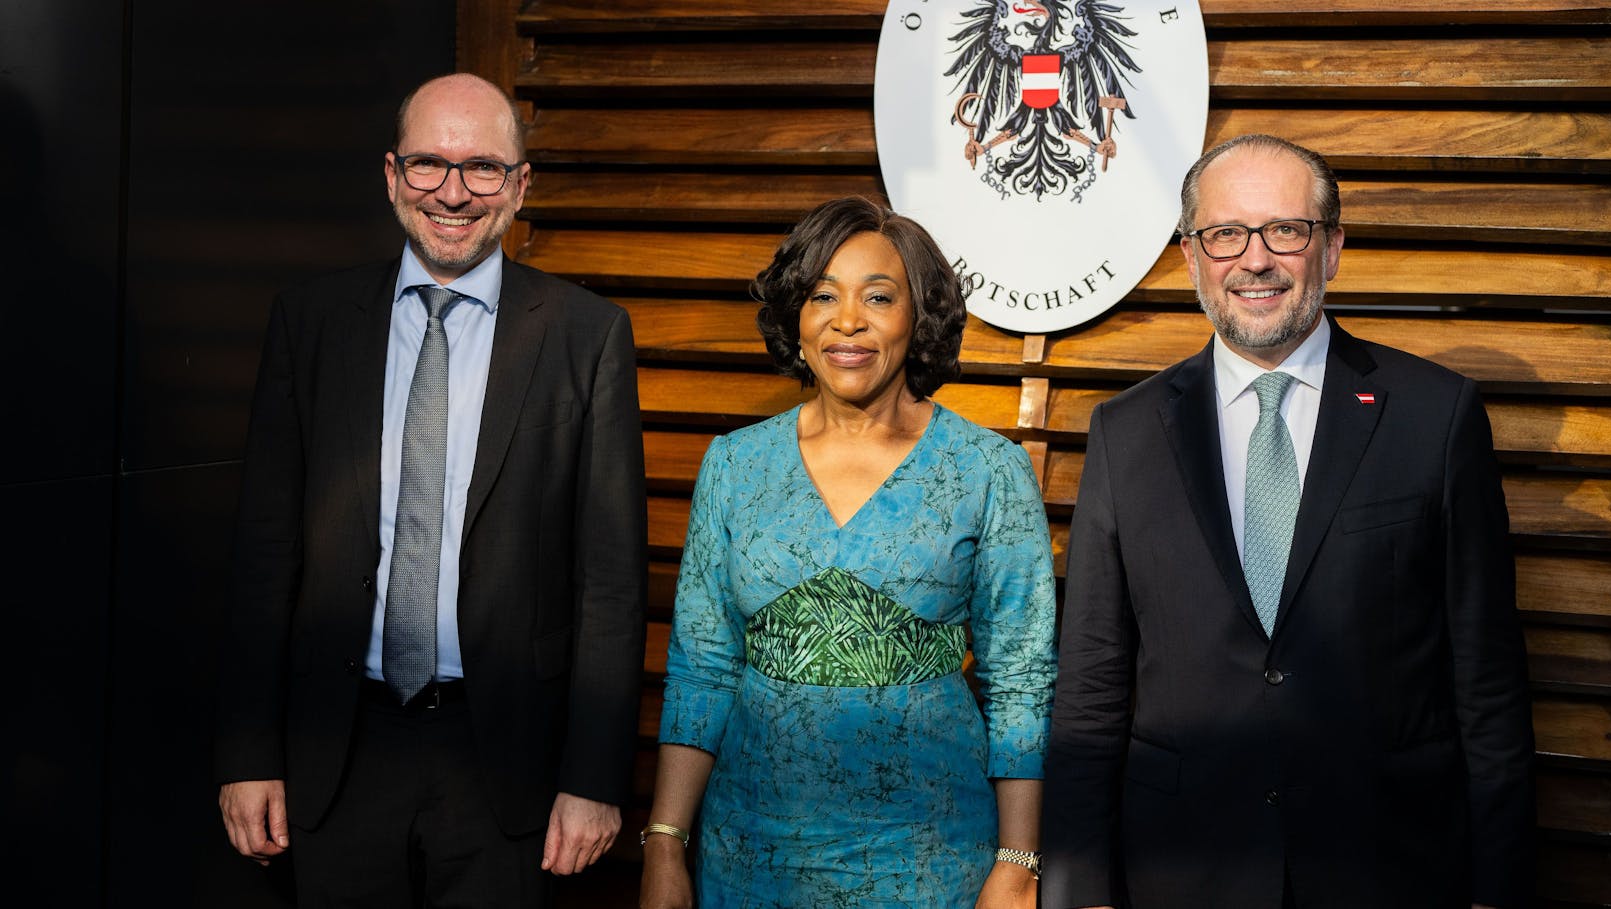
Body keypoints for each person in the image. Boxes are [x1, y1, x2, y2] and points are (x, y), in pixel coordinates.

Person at [1040, 134, 1535, 909]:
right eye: (1226, 234)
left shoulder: (1436, 417)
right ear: (1191, 256)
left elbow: (1489, 681)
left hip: (1389, 868)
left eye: (1286, 231)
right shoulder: (1125, 432)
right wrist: (1078, 891)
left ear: (1332, 248)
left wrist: (1497, 890)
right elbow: (1091, 689)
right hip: (1180, 870)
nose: (1255, 259)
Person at [214, 73, 647, 906]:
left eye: (483, 167)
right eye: (428, 165)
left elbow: (612, 583)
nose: (453, 193)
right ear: (390, 175)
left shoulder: (588, 336)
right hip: (335, 750)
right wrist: (248, 752)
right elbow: (264, 556)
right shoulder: (311, 323)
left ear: (521, 185)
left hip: (508, 764)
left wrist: (593, 777)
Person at [639, 196, 1057, 909]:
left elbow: (1021, 679)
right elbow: (701, 670)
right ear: (795, 319)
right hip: (750, 852)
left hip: (931, 856)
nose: (848, 320)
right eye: (822, 295)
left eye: (878, 296)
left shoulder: (988, 470)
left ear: (917, 315)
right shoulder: (735, 466)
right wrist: (666, 840)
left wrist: (1018, 861)